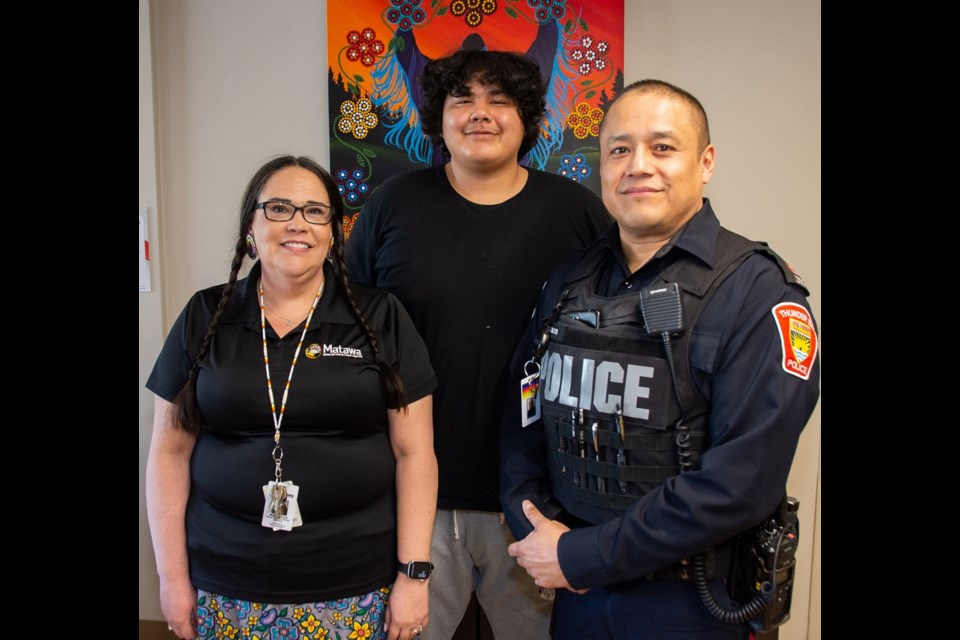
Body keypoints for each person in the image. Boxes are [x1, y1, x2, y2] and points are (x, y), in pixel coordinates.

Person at [501, 79, 820, 639]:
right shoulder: (567, 281)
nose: (637, 165)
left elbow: (740, 481)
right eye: (619, 149)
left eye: (662, 147)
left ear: (706, 162)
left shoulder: (759, 292)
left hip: (690, 602)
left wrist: (583, 555)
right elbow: (523, 416)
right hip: (577, 594)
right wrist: (534, 527)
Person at [345, 50, 611, 639]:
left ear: (527, 118)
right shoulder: (392, 205)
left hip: (539, 501)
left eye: (499, 99)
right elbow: (346, 320)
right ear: (439, 118)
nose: (479, 113)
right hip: (412, 497)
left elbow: (629, 312)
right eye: (462, 99)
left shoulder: (577, 213)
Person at [146, 155, 439, 640]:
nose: (297, 223)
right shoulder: (204, 316)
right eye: (278, 208)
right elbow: (168, 453)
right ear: (250, 228)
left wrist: (413, 576)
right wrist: (172, 578)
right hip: (225, 580)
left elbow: (415, 454)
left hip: (355, 582)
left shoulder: (380, 316)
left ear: (332, 233)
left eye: (315, 211)